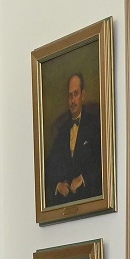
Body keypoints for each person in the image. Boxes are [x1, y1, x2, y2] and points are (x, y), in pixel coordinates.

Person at [44, 73, 103, 205]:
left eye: (76, 94)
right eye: (70, 95)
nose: (72, 100)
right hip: (66, 205)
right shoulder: (62, 130)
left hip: (90, 201)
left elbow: (103, 162)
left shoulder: (94, 125)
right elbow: (48, 167)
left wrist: (83, 178)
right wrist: (57, 185)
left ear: (83, 95)